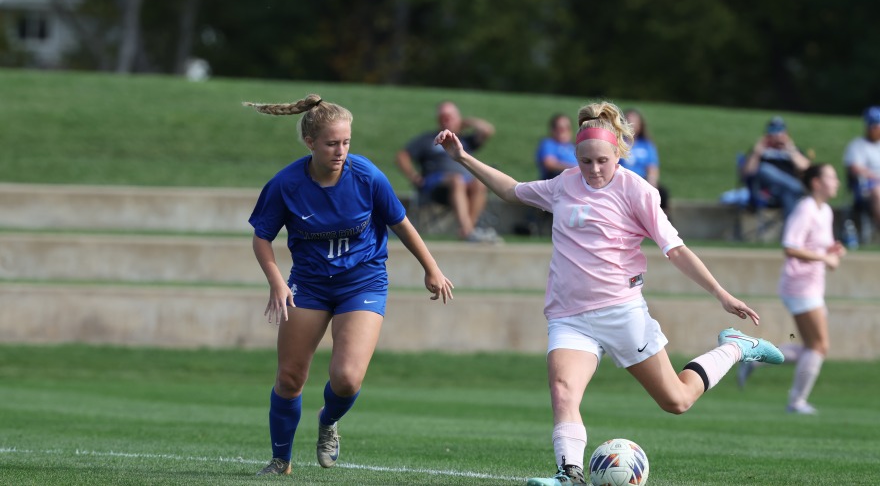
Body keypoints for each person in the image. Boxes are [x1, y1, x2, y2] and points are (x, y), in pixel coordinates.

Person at [436, 100, 784, 486]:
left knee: (676, 401)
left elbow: (677, 250)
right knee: (562, 388)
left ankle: (735, 346)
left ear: (618, 152)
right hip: (569, 316)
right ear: (576, 157)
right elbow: (512, 191)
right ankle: (570, 474)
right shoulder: (563, 183)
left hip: (622, 312)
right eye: (586, 161)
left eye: (602, 160)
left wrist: (721, 293)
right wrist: (463, 157)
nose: (594, 169)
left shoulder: (638, 191)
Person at [244, 94, 454, 476]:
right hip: (309, 283)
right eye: (331, 143)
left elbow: (401, 224)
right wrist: (277, 283)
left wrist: (431, 268)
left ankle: (328, 421)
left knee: (346, 378)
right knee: (290, 378)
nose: (340, 151)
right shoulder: (286, 183)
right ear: (310, 143)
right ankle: (280, 460)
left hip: (363, 280)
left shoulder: (367, 176)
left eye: (346, 142)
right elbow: (262, 237)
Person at [738, 163, 846, 415]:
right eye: (832, 176)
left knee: (812, 347)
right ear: (817, 182)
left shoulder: (825, 211)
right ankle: (796, 402)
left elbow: (821, 249)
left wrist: (832, 253)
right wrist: (824, 258)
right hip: (799, 287)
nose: (837, 181)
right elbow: (790, 246)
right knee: (819, 347)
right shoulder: (805, 209)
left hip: (813, 286)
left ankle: (756, 358)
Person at [396, 101, 500, 242]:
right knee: (456, 180)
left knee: (480, 183)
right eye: (443, 116)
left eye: (450, 116)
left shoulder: (464, 140)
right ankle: (469, 232)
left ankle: (468, 230)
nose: (447, 120)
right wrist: (413, 176)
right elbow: (402, 156)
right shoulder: (428, 139)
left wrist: (466, 122)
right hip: (436, 186)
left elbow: (487, 130)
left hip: (466, 185)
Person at [741, 116, 811, 219]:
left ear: (786, 133)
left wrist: (790, 150)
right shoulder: (760, 151)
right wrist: (757, 152)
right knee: (764, 169)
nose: (777, 135)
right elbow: (746, 173)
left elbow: (808, 170)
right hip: (767, 192)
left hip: (785, 192)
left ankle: (788, 233)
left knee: (787, 194)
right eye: (773, 130)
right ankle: (798, 188)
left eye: (780, 130)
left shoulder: (793, 150)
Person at [620, 108, 670, 213]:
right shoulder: (617, 143)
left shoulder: (646, 144)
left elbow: (652, 167)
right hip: (622, 181)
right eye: (628, 121)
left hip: (642, 180)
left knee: (663, 193)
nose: (631, 125)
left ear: (640, 125)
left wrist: (652, 184)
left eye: (634, 122)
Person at [842, 105, 880, 228]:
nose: (875, 128)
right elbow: (854, 168)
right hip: (865, 189)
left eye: (877, 125)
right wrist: (874, 177)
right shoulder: (857, 145)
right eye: (872, 125)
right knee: (877, 191)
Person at [536, 113, 578, 180]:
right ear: (553, 130)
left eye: (567, 128)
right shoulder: (549, 144)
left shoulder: (574, 147)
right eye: (561, 129)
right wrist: (575, 168)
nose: (565, 131)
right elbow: (549, 164)